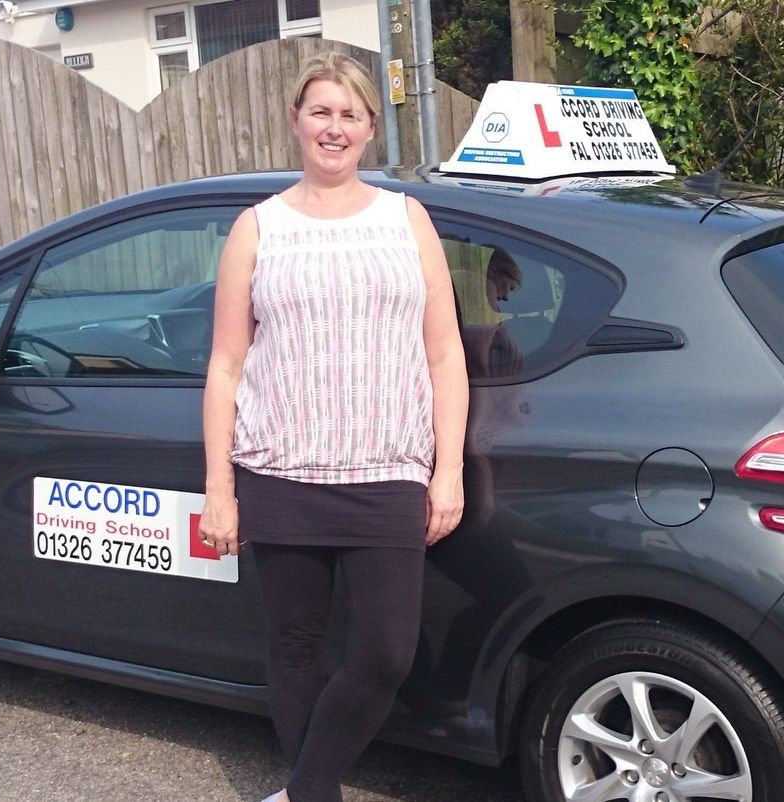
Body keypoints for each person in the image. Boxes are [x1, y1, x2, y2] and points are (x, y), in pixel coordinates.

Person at [199, 51, 469, 802]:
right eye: (320, 111)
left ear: (370, 129)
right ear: (296, 120)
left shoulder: (405, 219)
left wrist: (444, 471)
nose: (334, 127)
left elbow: (444, 353)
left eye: (350, 114)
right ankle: (315, 795)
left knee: (386, 654)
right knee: (295, 646)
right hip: (281, 473)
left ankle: (299, 790)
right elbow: (225, 366)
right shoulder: (258, 229)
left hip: (387, 474)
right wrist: (220, 489)